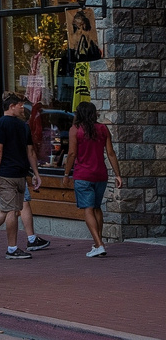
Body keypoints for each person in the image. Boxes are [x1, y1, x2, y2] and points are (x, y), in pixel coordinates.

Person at [0, 93, 44, 259]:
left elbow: (30, 151)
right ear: (11, 106)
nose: (22, 108)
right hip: (7, 174)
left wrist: (36, 173)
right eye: (20, 105)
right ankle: (12, 249)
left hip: (18, 174)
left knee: (8, 211)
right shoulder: (1, 124)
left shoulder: (22, 126)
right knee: (11, 211)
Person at [69, 101, 121, 257]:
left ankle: (99, 244)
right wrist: (118, 174)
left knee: (88, 209)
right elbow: (111, 153)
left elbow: (71, 154)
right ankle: (97, 242)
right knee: (97, 207)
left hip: (83, 174)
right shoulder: (103, 129)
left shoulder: (75, 130)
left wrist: (66, 174)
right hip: (100, 174)